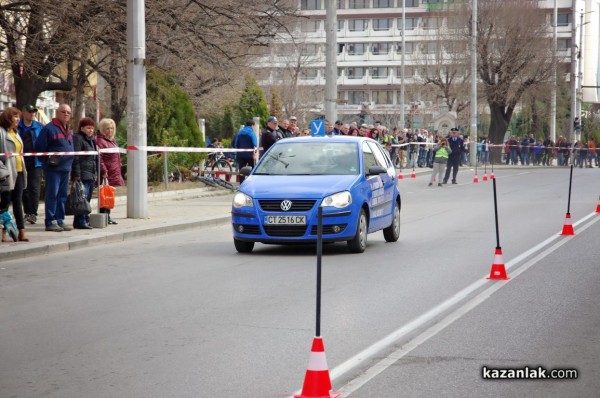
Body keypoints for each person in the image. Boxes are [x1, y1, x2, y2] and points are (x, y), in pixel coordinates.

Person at [34, 104, 74, 232]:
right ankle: (50, 221)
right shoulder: (49, 129)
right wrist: (48, 161)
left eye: (68, 112)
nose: (66, 114)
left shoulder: (69, 129)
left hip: (66, 168)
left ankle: (60, 220)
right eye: (63, 111)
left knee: (62, 196)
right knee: (52, 195)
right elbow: (39, 148)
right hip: (53, 169)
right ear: (57, 113)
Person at [0, 107, 28, 241]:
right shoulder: (1, 132)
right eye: (15, 117)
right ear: (8, 118)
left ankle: (22, 231)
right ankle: (3, 232)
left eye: (19, 117)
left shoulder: (16, 132)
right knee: (5, 202)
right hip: (6, 172)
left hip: (19, 170)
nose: (18, 119)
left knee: (18, 201)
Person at [18, 104, 44, 225]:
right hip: (20, 161)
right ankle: (27, 212)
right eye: (30, 111)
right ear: (23, 113)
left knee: (34, 188)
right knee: (24, 187)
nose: (32, 113)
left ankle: (33, 213)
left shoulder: (39, 127)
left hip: (36, 162)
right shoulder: (17, 127)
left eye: (34, 111)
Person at [96, 118, 123, 225]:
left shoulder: (112, 141)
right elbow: (100, 157)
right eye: (107, 128)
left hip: (113, 171)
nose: (110, 130)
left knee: (109, 195)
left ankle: (108, 216)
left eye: (112, 128)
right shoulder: (101, 141)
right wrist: (103, 170)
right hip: (107, 172)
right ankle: (104, 216)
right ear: (102, 129)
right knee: (104, 195)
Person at [71, 118, 97, 229]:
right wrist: (77, 174)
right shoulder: (78, 139)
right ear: (82, 128)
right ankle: (80, 221)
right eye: (88, 128)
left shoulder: (91, 140)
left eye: (92, 128)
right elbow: (76, 157)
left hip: (90, 174)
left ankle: (84, 219)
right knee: (82, 199)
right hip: (82, 174)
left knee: (87, 199)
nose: (90, 130)